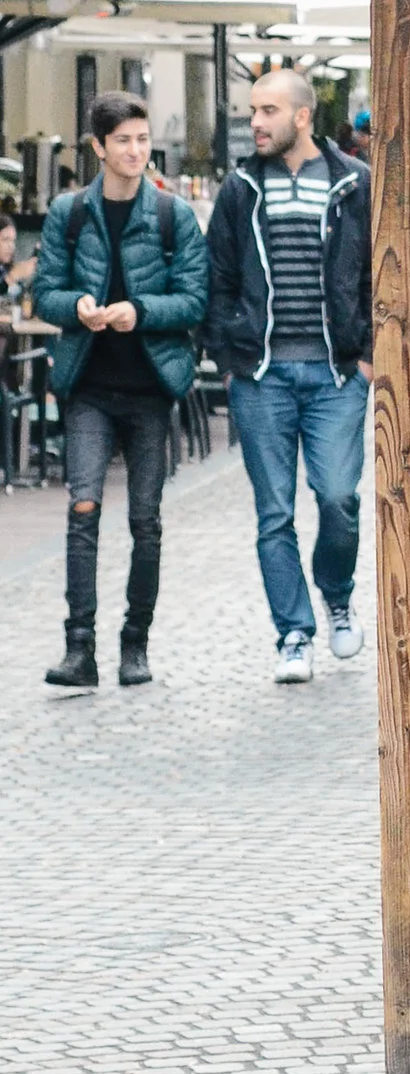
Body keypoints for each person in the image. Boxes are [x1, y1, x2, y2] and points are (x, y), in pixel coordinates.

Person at [207, 65, 373, 687]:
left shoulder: (354, 182)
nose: (256, 122)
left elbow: (376, 272)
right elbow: (218, 279)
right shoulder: (240, 189)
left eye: (268, 111)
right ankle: (294, 633)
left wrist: (368, 355)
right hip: (262, 376)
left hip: (336, 374)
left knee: (338, 497)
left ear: (302, 116)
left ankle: (337, 595)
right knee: (273, 513)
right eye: (253, 110)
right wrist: (231, 363)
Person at [37, 94, 208, 693]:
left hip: (149, 389)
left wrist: (141, 311)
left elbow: (195, 299)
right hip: (88, 386)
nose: (136, 151)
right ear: (98, 147)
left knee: (145, 521)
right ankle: (78, 647)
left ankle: (135, 643)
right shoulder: (69, 213)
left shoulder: (171, 215)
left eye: (142, 139)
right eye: (124, 141)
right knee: (82, 509)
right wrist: (76, 306)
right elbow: (45, 293)